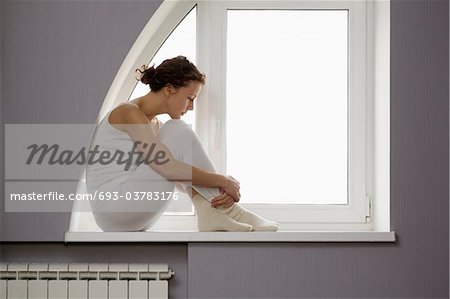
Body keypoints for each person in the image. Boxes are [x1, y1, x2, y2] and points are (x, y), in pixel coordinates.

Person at [86, 56, 279, 232]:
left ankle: (218, 212)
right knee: (177, 129)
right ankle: (229, 212)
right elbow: (168, 168)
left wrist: (217, 188)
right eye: (190, 98)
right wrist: (222, 181)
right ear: (169, 89)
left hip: (128, 213)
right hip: (114, 208)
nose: (191, 106)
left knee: (175, 134)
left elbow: (178, 180)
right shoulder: (129, 113)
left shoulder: (155, 127)